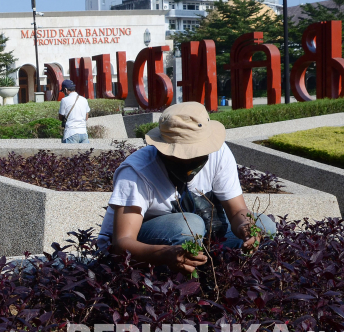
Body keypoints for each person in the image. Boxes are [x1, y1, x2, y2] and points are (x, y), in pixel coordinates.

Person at [98, 102, 277, 275]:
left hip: (197, 233)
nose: (191, 162)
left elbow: (237, 210)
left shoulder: (219, 152)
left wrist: (246, 226)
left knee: (264, 226)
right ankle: (168, 282)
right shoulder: (137, 172)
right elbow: (121, 244)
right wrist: (164, 254)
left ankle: (215, 271)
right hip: (147, 244)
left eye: (197, 154)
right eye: (183, 156)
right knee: (190, 225)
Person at [58, 79, 91, 144]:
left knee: (71, 154)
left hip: (71, 133)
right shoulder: (84, 99)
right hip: (83, 133)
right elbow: (86, 117)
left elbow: (60, 117)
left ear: (65, 89)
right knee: (86, 154)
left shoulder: (64, 100)